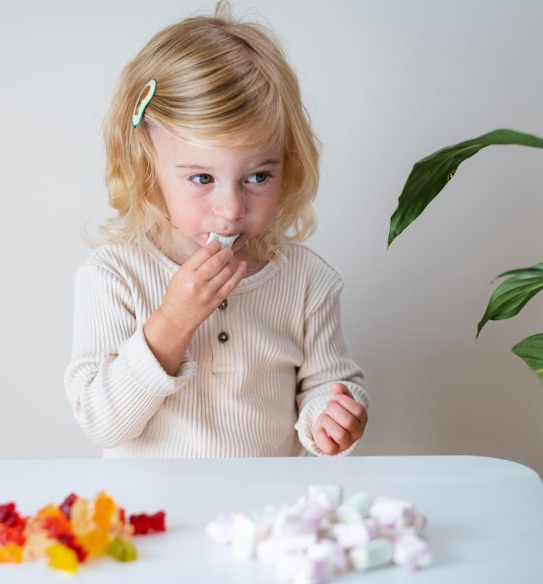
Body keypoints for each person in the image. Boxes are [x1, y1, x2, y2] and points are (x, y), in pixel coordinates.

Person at [64, 2, 369, 458]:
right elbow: (102, 422)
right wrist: (172, 322)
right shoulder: (114, 275)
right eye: (202, 179)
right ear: (148, 168)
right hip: (152, 521)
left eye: (258, 177)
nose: (231, 209)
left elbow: (328, 385)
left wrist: (332, 416)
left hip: (264, 520)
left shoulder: (307, 281)